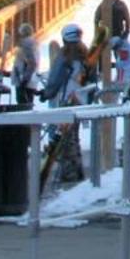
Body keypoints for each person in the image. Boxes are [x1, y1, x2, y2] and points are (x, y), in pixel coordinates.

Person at [41, 25, 98, 184]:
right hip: (82, 100)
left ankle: (70, 173)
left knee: (65, 139)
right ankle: (77, 170)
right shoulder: (88, 56)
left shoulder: (64, 56)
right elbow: (93, 79)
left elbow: (55, 79)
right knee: (74, 136)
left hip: (68, 100)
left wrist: (46, 94)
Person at [11, 23, 41, 106]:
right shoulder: (33, 43)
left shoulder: (27, 43)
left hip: (24, 79)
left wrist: (24, 80)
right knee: (28, 102)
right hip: (30, 79)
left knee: (23, 104)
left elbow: (31, 63)